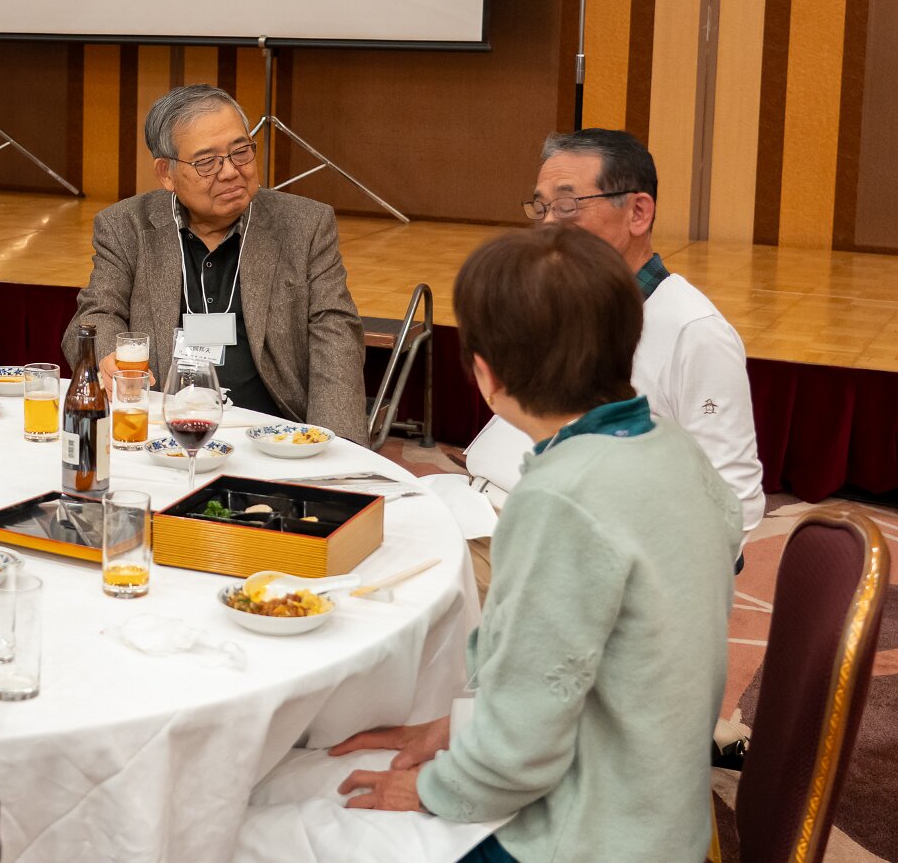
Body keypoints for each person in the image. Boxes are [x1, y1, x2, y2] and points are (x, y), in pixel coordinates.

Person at [261, 225, 741, 863]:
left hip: (582, 835)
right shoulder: (674, 447)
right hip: (659, 801)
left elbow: (521, 749)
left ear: (484, 375)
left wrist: (435, 787)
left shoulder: (560, 497)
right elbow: (594, 668)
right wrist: (452, 729)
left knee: (260, 822)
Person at [64, 84, 368, 440]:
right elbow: (95, 316)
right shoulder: (126, 226)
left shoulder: (305, 226)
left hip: (272, 434)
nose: (230, 172)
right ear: (166, 173)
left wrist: (336, 449)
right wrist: (110, 357)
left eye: (241, 152)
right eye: (207, 162)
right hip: (162, 431)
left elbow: (336, 337)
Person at [516, 128, 765, 537]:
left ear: (638, 213)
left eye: (566, 205)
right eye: (541, 207)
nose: (547, 224)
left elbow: (734, 499)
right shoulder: (564, 306)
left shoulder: (695, 333)